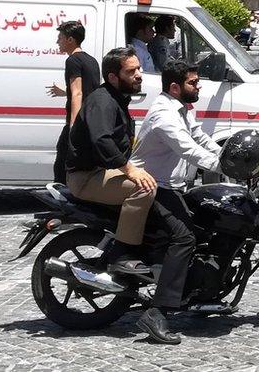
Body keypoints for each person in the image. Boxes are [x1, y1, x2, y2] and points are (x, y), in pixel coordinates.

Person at [130, 60, 223, 344]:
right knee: (184, 238)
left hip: (172, 186)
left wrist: (226, 154)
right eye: (193, 83)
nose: (199, 86)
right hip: (151, 185)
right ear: (175, 87)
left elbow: (200, 138)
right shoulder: (164, 115)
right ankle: (158, 312)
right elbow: (188, 149)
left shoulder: (181, 110)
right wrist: (227, 168)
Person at [66, 47, 158, 299]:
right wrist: (130, 170)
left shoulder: (117, 99)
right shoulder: (102, 100)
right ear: (113, 76)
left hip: (102, 173)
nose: (139, 75)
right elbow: (102, 140)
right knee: (144, 187)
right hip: (86, 177)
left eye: (139, 69)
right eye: (132, 71)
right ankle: (123, 255)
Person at [46, 21, 101, 184]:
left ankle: (64, 200)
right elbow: (88, 90)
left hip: (79, 122)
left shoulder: (72, 61)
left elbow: (78, 93)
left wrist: (73, 126)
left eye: (60, 38)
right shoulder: (91, 60)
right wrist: (64, 92)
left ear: (70, 40)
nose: (58, 42)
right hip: (90, 120)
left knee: (62, 164)